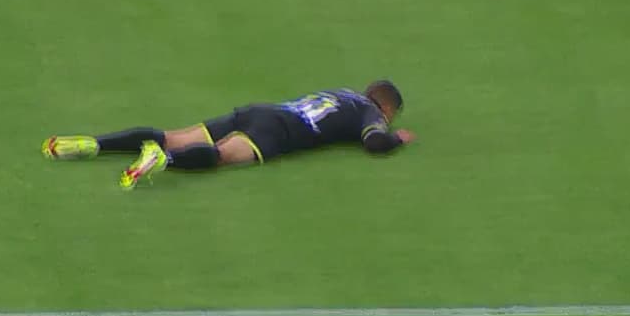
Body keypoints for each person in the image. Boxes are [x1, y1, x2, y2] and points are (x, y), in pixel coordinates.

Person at [42, 80, 415, 189]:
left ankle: (95, 144)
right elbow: (374, 143)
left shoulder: (342, 93)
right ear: (386, 108)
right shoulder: (370, 113)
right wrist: (397, 138)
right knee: (222, 156)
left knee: (174, 134)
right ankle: (162, 161)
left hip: (261, 110)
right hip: (279, 131)